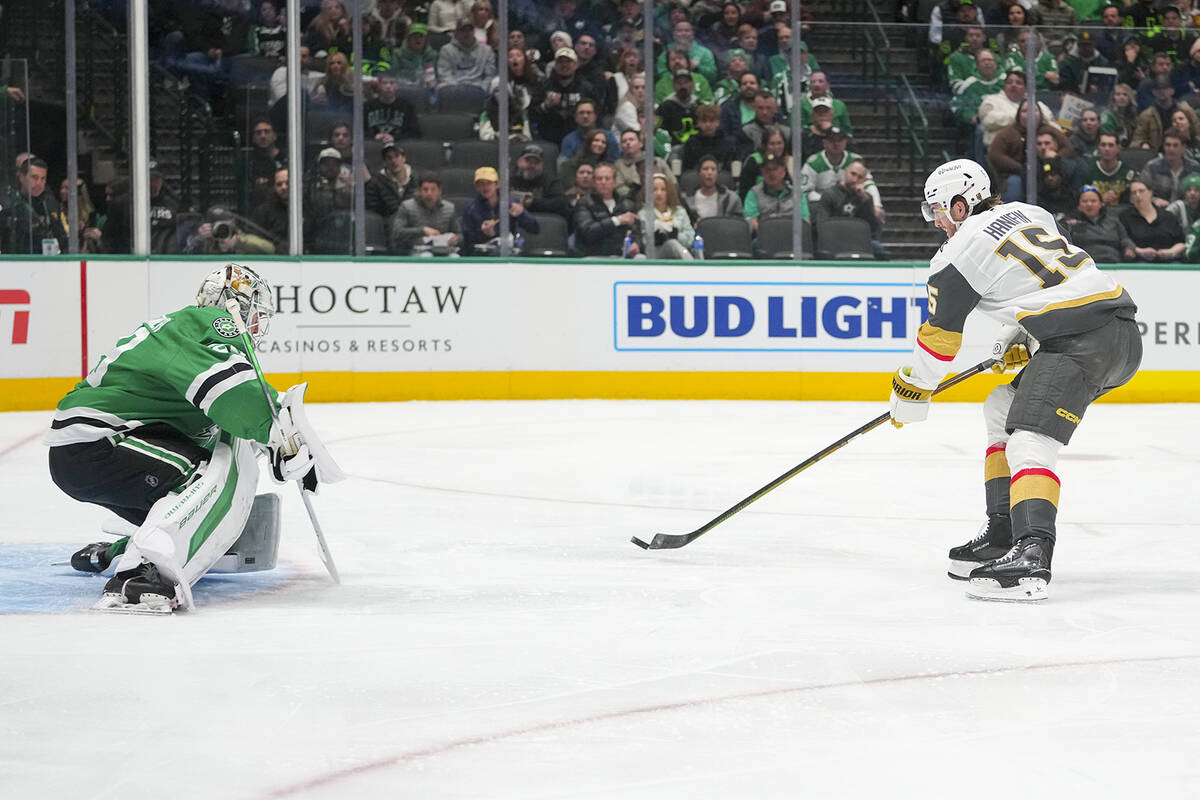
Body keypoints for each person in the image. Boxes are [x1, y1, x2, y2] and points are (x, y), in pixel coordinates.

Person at [890, 159, 1140, 602]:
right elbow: (1049, 279)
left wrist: (912, 390)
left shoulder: (955, 254)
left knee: (1029, 440)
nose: (937, 223)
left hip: (1080, 340)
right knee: (1000, 407)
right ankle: (1003, 531)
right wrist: (1022, 331)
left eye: (938, 211)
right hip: (1118, 332)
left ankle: (1032, 555)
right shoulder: (1032, 212)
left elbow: (940, 338)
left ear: (961, 204)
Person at [47, 264, 342, 612]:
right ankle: (142, 575)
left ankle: (121, 551)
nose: (258, 326)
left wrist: (273, 437)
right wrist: (279, 432)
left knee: (199, 490)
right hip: (101, 444)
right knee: (207, 475)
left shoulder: (181, 331)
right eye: (256, 315)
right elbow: (229, 390)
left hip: (89, 447)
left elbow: (225, 413)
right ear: (236, 306)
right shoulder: (207, 326)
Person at [813, 159, 887, 259]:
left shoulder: (866, 198)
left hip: (858, 241)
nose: (854, 179)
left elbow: (873, 228)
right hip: (835, 239)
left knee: (878, 249)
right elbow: (822, 224)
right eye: (853, 174)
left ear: (864, 180)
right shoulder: (830, 194)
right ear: (846, 171)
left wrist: (865, 201)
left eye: (860, 177)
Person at [460, 166, 540, 254]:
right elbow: (467, 241)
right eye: (481, 184)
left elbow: (535, 229)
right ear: (477, 187)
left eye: (489, 183)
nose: (485, 187)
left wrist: (521, 214)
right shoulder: (471, 209)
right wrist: (483, 234)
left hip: (509, 254)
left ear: (497, 184)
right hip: (482, 256)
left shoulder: (510, 204)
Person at [573, 162, 642, 256]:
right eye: (599, 179)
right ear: (594, 182)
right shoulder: (584, 203)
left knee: (641, 258)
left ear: (614, 182)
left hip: (621, 256)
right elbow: (588, 232)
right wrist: (617, 220)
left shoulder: (627, 204)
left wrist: (636, 244)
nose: (603, 182)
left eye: (607, 178)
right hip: (593, 256)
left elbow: (636, 233)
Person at [0, 156, 67, 254]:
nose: (39, 183)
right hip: (14, 263)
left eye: (43, 179)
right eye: (34, 177)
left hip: (47, 263)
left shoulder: (50, 204)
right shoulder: (8, 205)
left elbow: (61, 237)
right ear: (21, 177)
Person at [391, 172, 462, 255]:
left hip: (444, 251)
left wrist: (456, 238)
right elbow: (397, 233)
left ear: (439, 191)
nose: (429, 193)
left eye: (433, 190)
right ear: (419, 191)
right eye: (425, 189)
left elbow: (459, 235)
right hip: (416, 251)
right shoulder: (407, 207)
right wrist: (422, 230)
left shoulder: (449, 208)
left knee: (455, 258)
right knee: (427, 256)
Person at [1060, 184, 1133, 263]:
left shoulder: (1113, 221)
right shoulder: (1070, 224)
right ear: (1079, 206)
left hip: (1114, 262)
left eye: (1093, 201)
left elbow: (1125, 239)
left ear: (1101, 204)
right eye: (1084, 201)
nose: (1089, 204)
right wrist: (1067, 226)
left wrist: (1129, 249)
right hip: (1085, 264)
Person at [1120, 178, 1186, 261]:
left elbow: (1181, 242)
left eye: (1141, 191)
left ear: (1150, 193)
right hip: (1138, 263)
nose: (1138, 195)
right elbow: (1122, 241)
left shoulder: (1168, 216)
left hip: (1169, 263)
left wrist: (1170, 252)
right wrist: (1139, 251)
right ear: (1131, 199)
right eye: (1134, 193)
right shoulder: (1124, 217)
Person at [1138, 129, 1200, 206]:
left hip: (1187, 212)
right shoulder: (1152, 167)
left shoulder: (1194, 168)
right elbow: (1139, 192)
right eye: (1168, 145)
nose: (1171, 149)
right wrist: (1154, 200)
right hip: (1158, 212)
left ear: (1183, 147)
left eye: (1175, 145)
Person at [436, 17, 497, 92]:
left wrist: (481, 90)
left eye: (470, 30)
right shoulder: (446, 50)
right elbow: (444, 74)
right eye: (463, 30)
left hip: (479, 91)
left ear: (474, 31)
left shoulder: (486, 51)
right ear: (456, 32)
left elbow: (489, 75)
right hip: (454, 91)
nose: (467, 33)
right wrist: (458, 91)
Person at [185, 207, 276, 255]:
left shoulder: (242, 237)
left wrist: (238, 242)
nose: (222, 228)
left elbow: (270, 249)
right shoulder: (206, 240)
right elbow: (184, 253)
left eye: (225, 223)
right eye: (217, 224)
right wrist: (198, 238)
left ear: (232, 222)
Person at [1078, 132, 1136, 205]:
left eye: (1111, 145)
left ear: (1118, 148)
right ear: (1098, 148)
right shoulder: (1087, 169)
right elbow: (1081, 192)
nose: (1107, 149)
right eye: (1103, 145)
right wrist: (1099, 198)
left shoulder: (1129, 171)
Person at [743, 151, 793, 233]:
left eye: (775, 169)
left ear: (783, 172)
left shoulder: (796, 193)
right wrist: (767, 235)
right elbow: (752, 221)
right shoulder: (754, 193)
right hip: (763, 237)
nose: (771, 173)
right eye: (767, 170)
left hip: (791, 237)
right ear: (762, 173)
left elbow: (804, 221)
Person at [648, 173, 695, 259]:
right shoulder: (644, 214)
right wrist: (654, 239)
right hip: (654, 256)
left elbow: (690, 238)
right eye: (654, 190)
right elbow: (641, 240)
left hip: (679, 253)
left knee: (672, 243)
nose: (659, 193)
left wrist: (676, 236)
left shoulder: (680, 211)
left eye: (663, 189)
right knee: (671, 243)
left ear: (669, 192)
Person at [365, 72, 421, 142]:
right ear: (379, 86)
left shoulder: (407, 107)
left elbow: (415, 133)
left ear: (396, 86)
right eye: (384, 83)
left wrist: (395, 138)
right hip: (374, 145)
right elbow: (360, 131)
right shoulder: (367, 106)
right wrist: (374, 136)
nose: (388, 86)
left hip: (399, 145)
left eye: (392, 83)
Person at [686, 154, 744, 221]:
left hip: (723, 230)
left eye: (713, 169)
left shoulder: (732, 199)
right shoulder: (687, 200)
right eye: (705, 169)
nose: (709, 173)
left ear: (717, 174)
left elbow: (739, 224)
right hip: (697, 231)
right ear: (699, 173)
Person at [247, 119, 286, 208]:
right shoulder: (249, 162)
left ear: (274, 136)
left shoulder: (287, 158)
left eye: (267, 132)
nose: (263, 136)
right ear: (253, 138)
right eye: (258, 133)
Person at [251, 167, 292, 251]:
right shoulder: (263, 212)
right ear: (274, 187)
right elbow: (256, 241)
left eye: (288, 183)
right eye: (279, 184)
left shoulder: (307, 209)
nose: (284, 187)